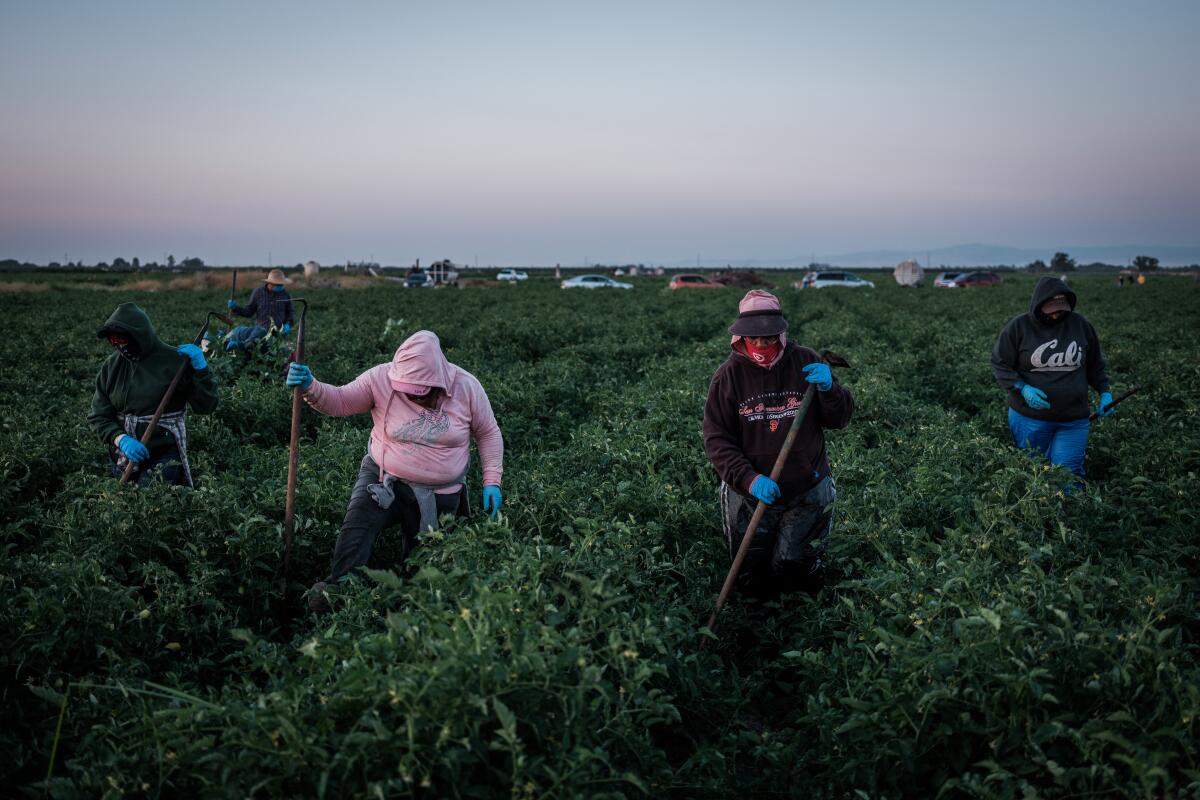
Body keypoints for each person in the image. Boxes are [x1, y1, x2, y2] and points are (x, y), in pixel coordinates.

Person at [286, 330, 505, 612]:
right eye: (404, 392)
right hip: (383, 480)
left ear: (437, 383)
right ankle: (338, 600)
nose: (409, 399)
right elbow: (340, 401)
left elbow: (488, 432)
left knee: (424, 569)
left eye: (418, 394)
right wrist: (311, 387)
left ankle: (408, 618)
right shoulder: (380, 378)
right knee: (354, 535)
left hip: (440, 493)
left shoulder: (467, 387)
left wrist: (492, 480)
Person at [703, 290, 854, 599]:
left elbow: (839, 419)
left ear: (781, 332)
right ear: (741, 336)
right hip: (748, 493)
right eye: (753, 337)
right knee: (749, 568)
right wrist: (749, 479)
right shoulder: (728, 377)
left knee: (793, 563)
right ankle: (755, 627)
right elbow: (717, 439)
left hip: (806, 487)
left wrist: (829, 389)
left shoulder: (806, 362)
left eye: (768, 337)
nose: (761, 344)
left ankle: (798, 623)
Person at [991, 276, 1114, 482]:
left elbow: (1095, 365)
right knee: (1034, 473)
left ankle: (1071, 511)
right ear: (1039, 305)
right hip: (1029, 418)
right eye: (1052, 308)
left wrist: (1105, 392)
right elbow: (1000, 363)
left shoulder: (1080, 326)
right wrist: (1022, 387)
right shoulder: (1019, 327)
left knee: (1068, 474)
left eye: (1062, 308)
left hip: (1073, 418)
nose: (1057, 314)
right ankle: (1040, 514)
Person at [88, 303, 218, 486]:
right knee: (126, 503)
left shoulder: (176, 362)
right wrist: (121, 439)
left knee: (149, 498)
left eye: (121, 340)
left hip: (163, 451)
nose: (117, 346)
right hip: (122, 454)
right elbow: (98, 416)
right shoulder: (111, 367)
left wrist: (201, 370)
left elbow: (206, 406)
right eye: (112, 341)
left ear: (139, 336)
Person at [225, 268, 295, 350]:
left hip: (278, 334)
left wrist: (288, 325)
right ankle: (242, 345)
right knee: (253, 342)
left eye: (281, 284)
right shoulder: (258, 293)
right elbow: (249, 312)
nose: (281, 286)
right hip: (261, 331)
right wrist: (235, 308)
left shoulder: (285, 295)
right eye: (278, 284)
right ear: (270, 283)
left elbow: (290, 314)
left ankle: (243, 345)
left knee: (283, 351)